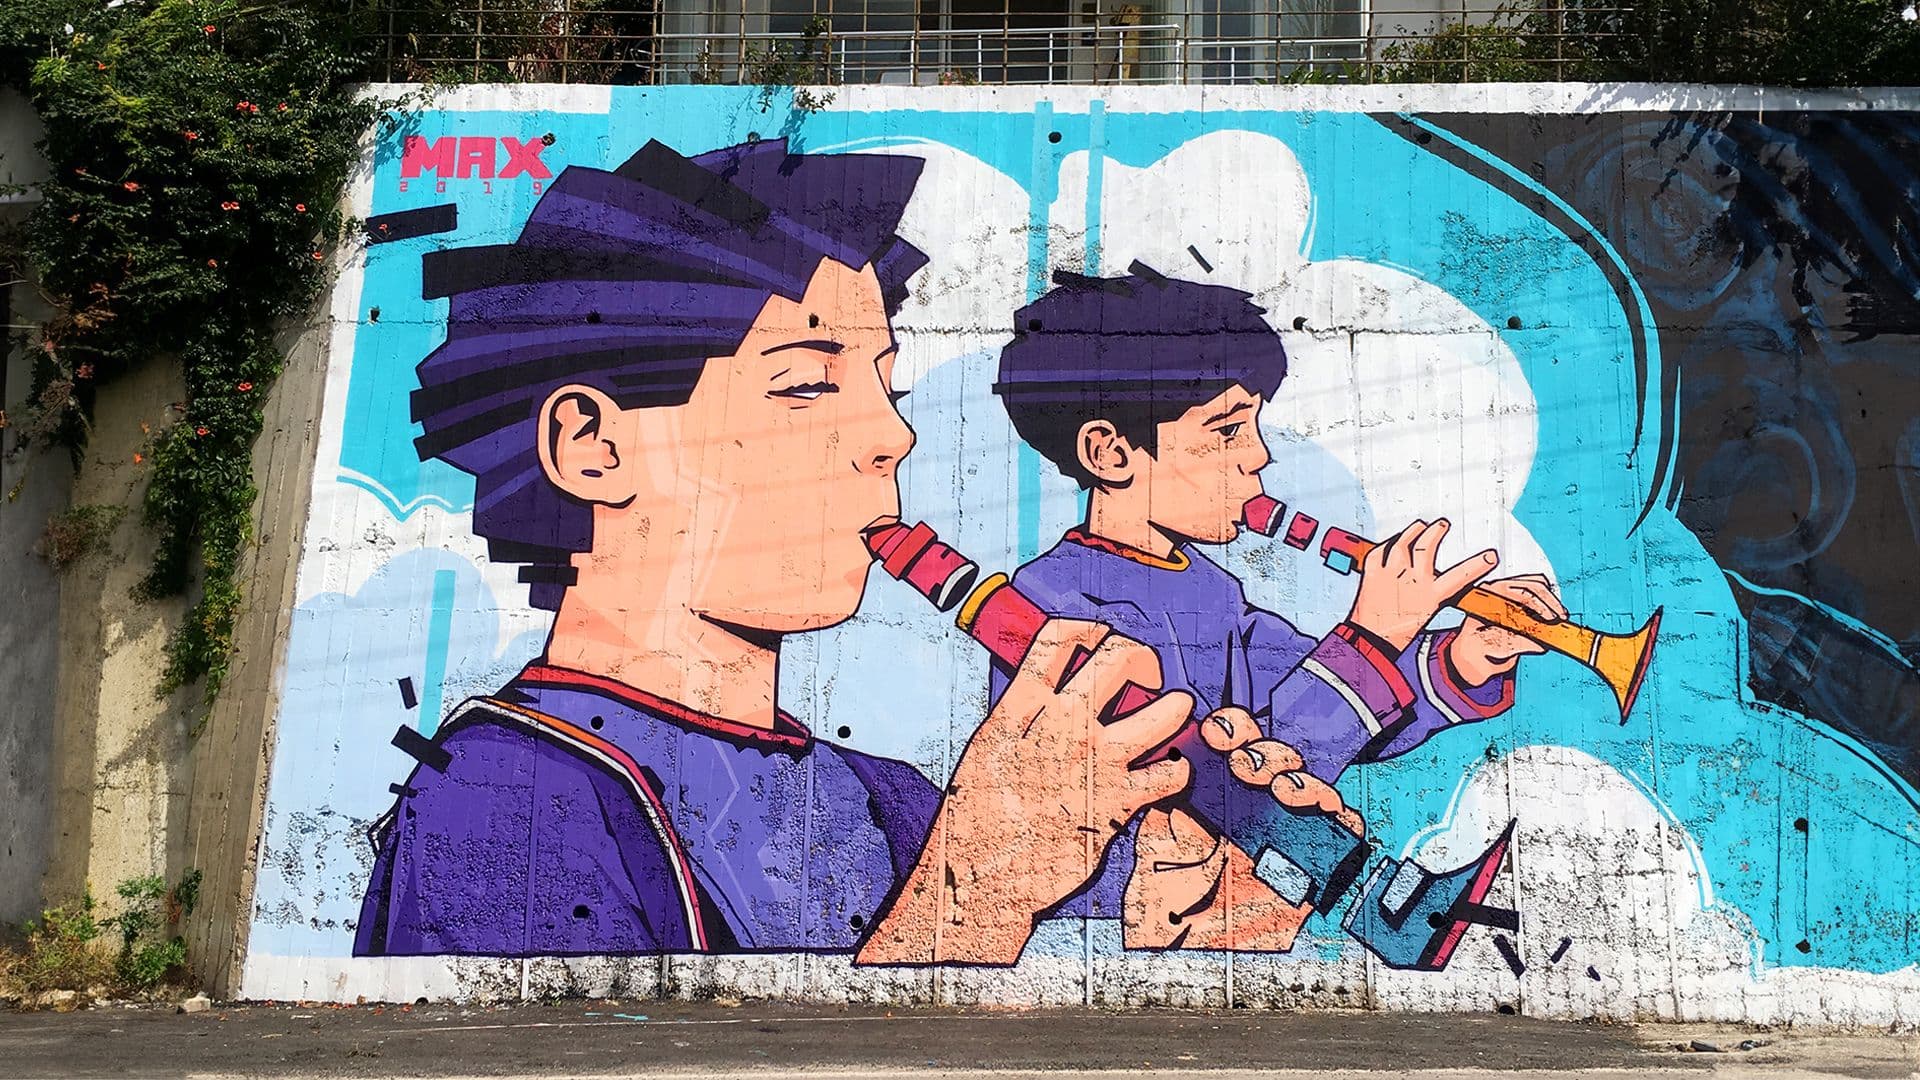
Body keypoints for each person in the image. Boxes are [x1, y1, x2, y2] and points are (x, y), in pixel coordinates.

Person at [354, 139, 1339, 964]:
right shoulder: (501, 794)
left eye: (886, 389)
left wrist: (1202, 913)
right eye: (806, 387)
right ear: (594, 447)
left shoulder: (889, 799)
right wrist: (968, 902)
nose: (889, 437)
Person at [991, 264, 1567, 951]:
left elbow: (1328, 701)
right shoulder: (1057, 605)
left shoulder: (1210, 590)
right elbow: (1230, 781)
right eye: (1228, 431)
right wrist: (1370, 637)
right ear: (1111, 452)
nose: (1258, 456)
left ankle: (1400, 917)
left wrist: (1466, 656)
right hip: (1116, 920)